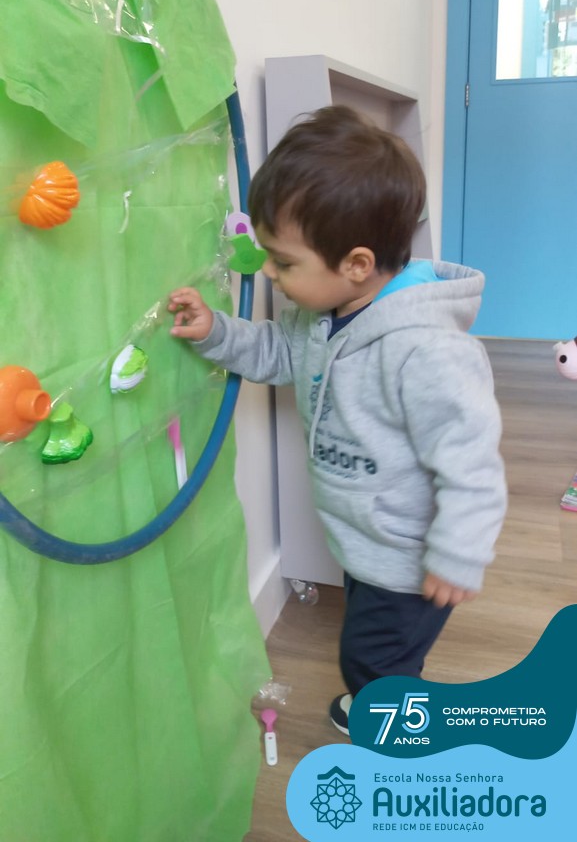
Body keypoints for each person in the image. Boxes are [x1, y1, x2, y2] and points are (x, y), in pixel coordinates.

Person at [168, 105, 507, 736]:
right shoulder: (320, 316)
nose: (269, 274)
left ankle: (392, 729)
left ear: (355, 264)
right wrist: (216, 332)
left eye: (283, 262)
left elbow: (473, 462)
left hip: (409, 556)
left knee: (372, 659)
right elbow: (278, 353)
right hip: (362, 539)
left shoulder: (427, 350)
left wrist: (459, 553)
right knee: (379, 646)